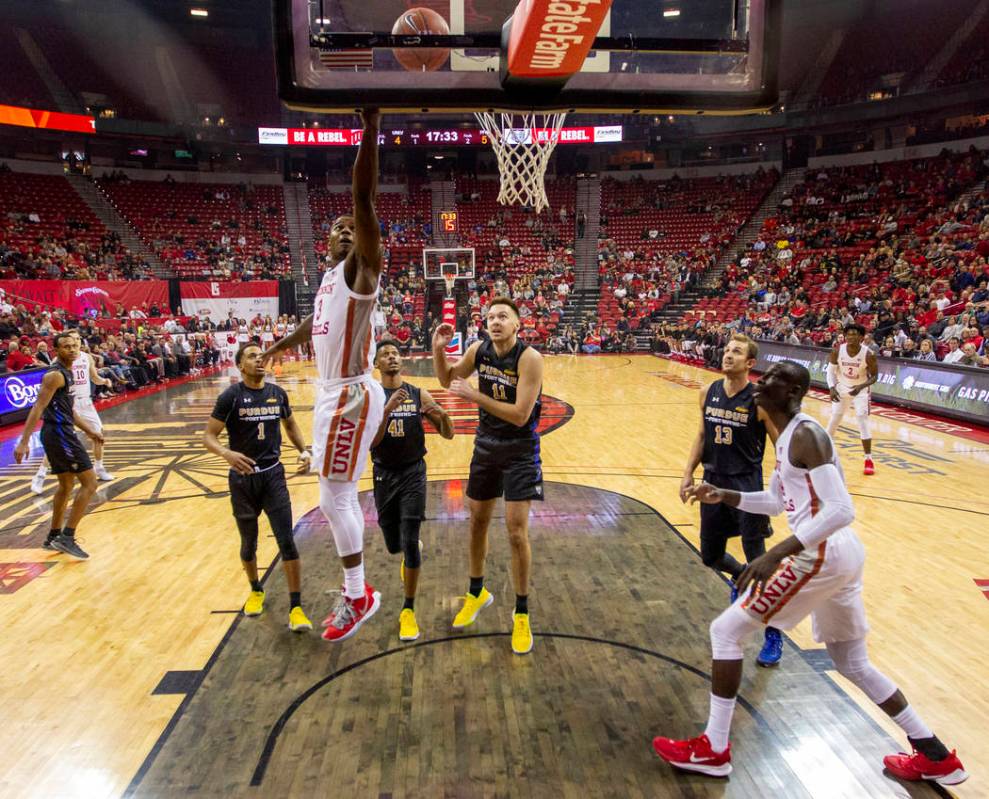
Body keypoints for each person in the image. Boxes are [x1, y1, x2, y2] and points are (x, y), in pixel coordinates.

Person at [654, 362, 968, 788]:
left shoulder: (806, 433)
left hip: (820, 554)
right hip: (838, 555)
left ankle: (714, 748)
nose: (761, 381)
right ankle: (935, 755)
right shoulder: (785, 439)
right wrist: (722, 494)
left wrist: (776, 553)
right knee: (852, 663)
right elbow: (774, 501)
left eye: (772, 378)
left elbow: (841, 510)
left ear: (793, 391)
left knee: (725, 632)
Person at [260, 109, 386, 643]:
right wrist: (279, 347)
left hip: (351, 394)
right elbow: (315, 325)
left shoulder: (364, 269)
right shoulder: (330, 281)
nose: (342, 230)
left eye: (348, 228)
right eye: (334, 228)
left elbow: (362, 200)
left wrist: (370, 125)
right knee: (337, 493)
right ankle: (358, 589)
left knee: (334, 496)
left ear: (360, 238)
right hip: (336, 393)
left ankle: (358, 594)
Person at [433, 297, 544, 655]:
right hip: (486, 446)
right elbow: (449, 379)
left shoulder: (529, 359)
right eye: (490, 317)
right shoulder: (479, 350)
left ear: (517, 325)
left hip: (520, 449)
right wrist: (438, 351)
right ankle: (477, 591)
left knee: (515, 532)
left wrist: (475, 396)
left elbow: (520, 415)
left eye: (503, 317)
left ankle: (522, 612)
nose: (494, 321)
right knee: (477, 522)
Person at [679, 334, 782, 667]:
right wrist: (687, 473)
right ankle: (740, 579)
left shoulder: (760, 401)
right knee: (710, 555)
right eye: (726, 350)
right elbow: (700, 434)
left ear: (750, 364)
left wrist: (785, 488)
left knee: (761, 563)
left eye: (736, 352)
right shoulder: (707, 392)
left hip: (748, 490)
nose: (727, 355)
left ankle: (774, 634)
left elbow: (782, 449)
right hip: (712, 485)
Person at [203, 344, 313, 631]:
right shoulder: (230, 397)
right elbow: (209, 436)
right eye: (252, 356)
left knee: (286, 541)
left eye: (261, 355)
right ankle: (255, 589)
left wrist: (305, 451)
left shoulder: (277, 393)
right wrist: (226, 454)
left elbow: (290, 425)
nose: (259, 359)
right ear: (240, 365)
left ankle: (296, 607)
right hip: (242, 480)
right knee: (248, 544)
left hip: (273, 476)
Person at [369, 340, 454, 642]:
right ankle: (408, 547)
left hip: (413, 474)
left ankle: (408, 609)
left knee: (409, 540)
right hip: (383, 475)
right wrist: (387, 411)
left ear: (400, 361)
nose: (391, 357)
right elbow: (371, 443)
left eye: (395, 353)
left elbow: (448, 434)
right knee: (394, 546)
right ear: (376, 364)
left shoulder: (419, 393)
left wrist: (443, 416)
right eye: (385, 354)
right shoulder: (371, 397)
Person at [13, 332, 104, 559]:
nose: (72, 350)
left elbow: (69, 410)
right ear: (56, 350)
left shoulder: (68, 372)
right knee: (90, 483)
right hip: (59, 434)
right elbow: (37, 408)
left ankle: (53, 536)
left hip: (59, 432)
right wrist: (23, 442)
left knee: (65, 486)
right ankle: (67, 537)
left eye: (75, 346)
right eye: (66, 347)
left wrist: (91, 432)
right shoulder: (54, 375)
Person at [32, 333, 114, 494]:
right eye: (72, 340)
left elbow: (94, 377)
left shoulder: (87, 357)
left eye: (77, 339)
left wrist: (104, 381)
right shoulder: (58, 362)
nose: (75, 342)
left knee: (98, 434)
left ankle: (99, 467)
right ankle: (40, 475)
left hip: (86, 401)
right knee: (59, 442)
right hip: (70, 403)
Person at [826, 323, 878, 475]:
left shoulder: (869, 354)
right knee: (834, 419)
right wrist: (831, 387)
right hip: (842, 387)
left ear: (861, 337)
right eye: (848, 334)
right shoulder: (837, 350)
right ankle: (824, 454)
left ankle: (868, 459)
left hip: (860, 390)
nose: (850, 337)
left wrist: (861, 386)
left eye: (854, 334)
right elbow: (830, 371)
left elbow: (875, 376)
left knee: (862, 420)